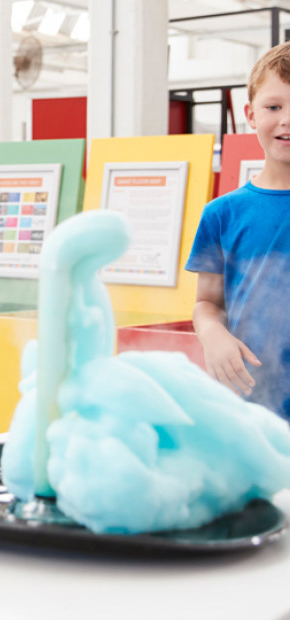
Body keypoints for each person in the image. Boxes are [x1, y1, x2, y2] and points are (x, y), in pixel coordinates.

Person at [188, 41, 290, 421]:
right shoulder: (222, 214)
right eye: (274, 107)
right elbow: (207, 303)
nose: (286, 120)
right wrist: (212, 335)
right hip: (250, 399)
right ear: (250, 113)